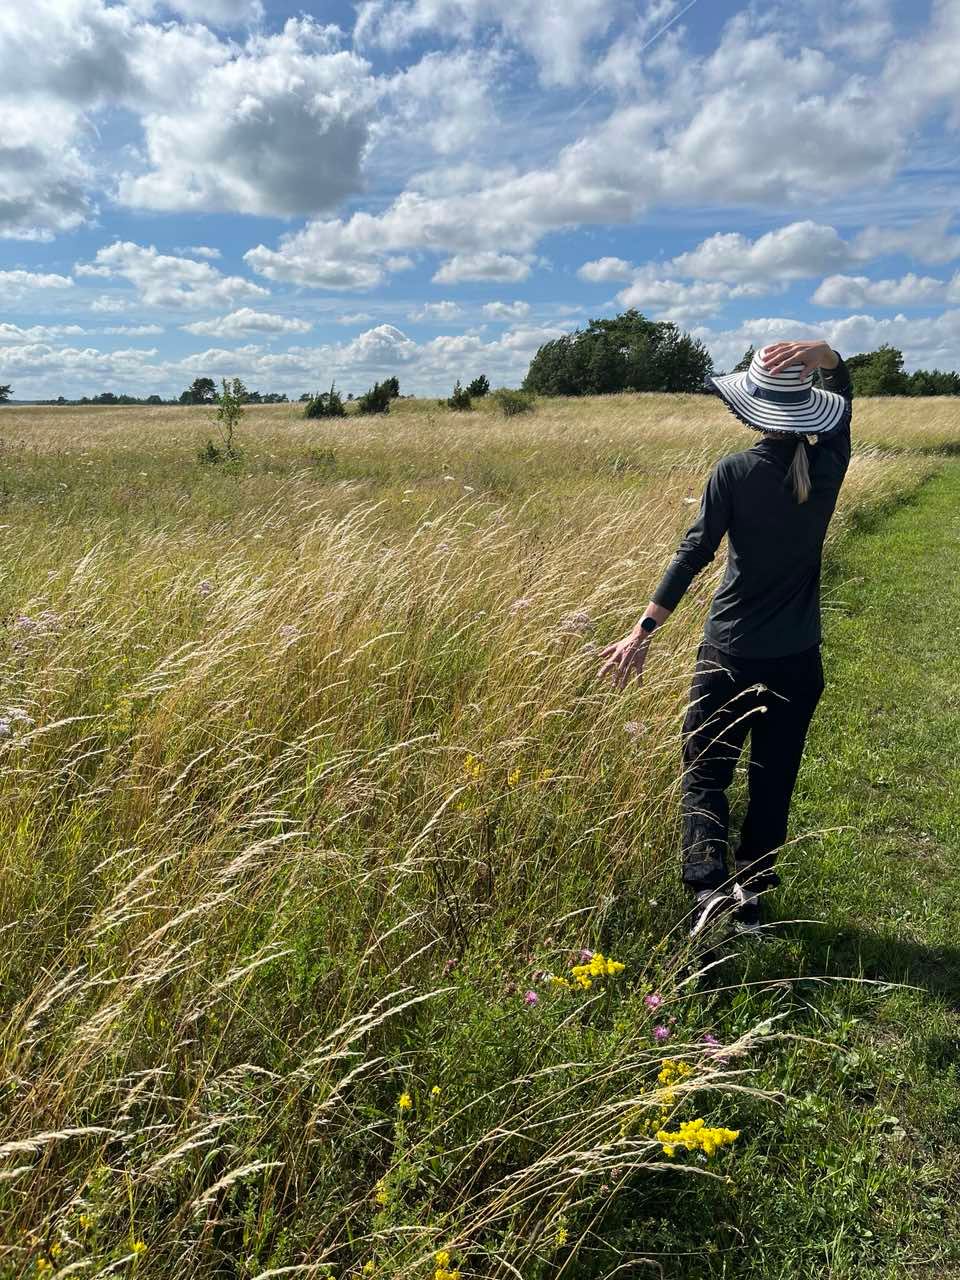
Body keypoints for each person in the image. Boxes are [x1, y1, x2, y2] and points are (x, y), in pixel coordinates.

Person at [598, 340, 853, 938]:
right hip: (797, 660)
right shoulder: (828, 467)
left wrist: (644, 630)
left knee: (707, 772)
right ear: (805, 411)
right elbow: (844, 407)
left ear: (751, 411)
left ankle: (708, 890)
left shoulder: (733, 472)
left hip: (728, 653)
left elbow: (694, 552)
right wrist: (830, 357)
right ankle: (750, 901)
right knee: (774, 776)